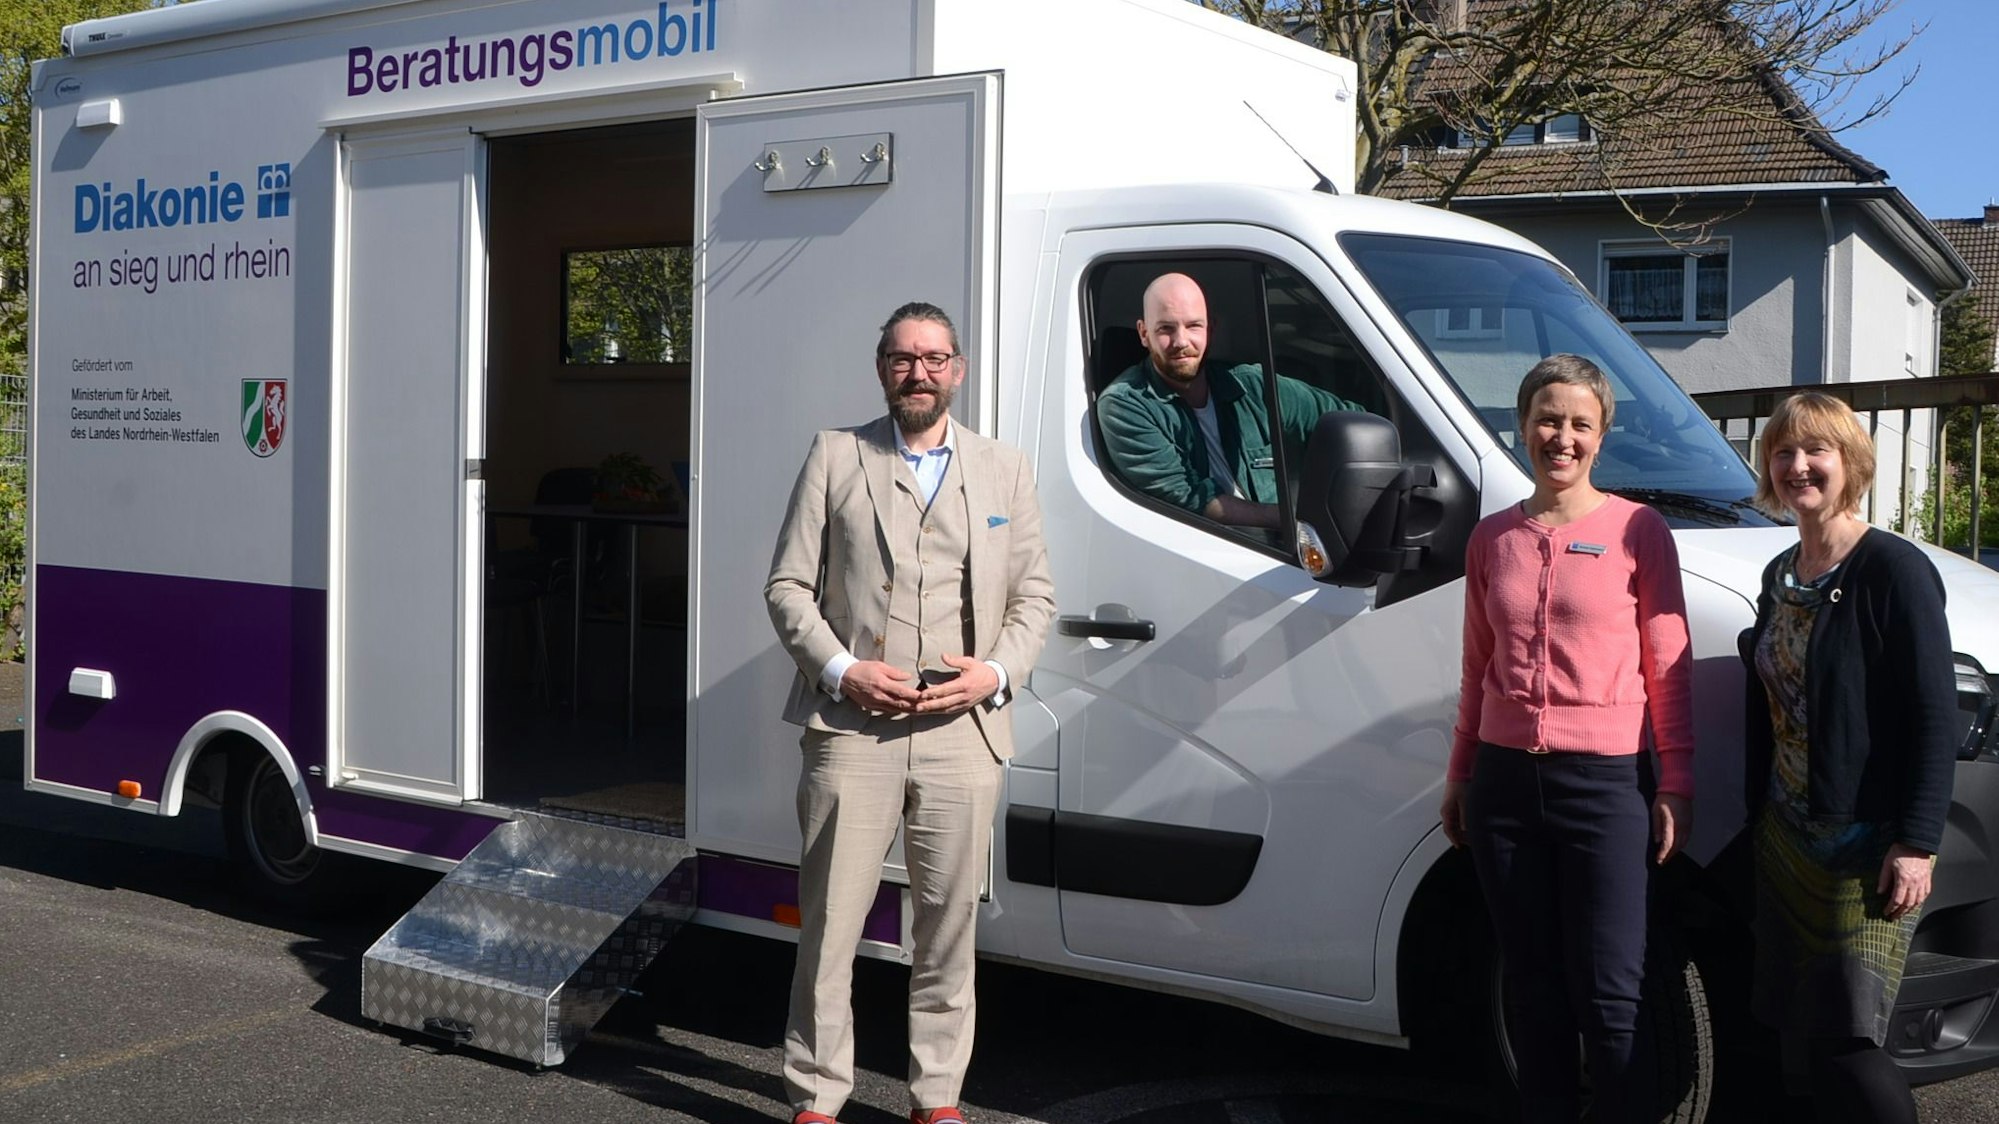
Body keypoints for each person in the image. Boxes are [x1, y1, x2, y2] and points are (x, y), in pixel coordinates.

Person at [765, 301, 1057, 1124]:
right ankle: (817, 1098)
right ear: (881, 367)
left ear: (957, 370)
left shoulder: (1004, 468)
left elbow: (1034, 594)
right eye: (902, 358)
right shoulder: (834, 456)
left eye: (934, 359)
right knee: (829, 929)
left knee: (946, 928)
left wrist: (995, 672)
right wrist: (841, 668)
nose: (918, 372)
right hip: (851, 731)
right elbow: (787, 586)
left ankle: (937, 1099)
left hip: (963, 734)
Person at [1438, 354, 1694, 1123]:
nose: (1562, 437)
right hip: (1504, 789)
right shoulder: (1492, 539)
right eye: (1547, 419)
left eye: (1580, 423)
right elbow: (1477, 663)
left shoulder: (1636, 531)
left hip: (1606, 787)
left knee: (1610, 992)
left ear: (1601, 433)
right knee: (1530, 986)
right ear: (1521, 426)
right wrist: (1461, 772)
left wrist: (1676, 782)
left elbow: (1667, 668)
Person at [1741, 392, 1954, 1124]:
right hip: (1784, 838)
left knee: (1848, 1039)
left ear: (1849, 463)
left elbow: (1934, 712)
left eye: (1815, 450)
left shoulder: (1891, 569)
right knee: (1791, 1034)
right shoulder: (1780, 573)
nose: (1797, 465)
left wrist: (1916, 843)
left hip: (1862, 848)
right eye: (1782, 452)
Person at [1096, 272, 1364, 528]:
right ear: (1144, 333)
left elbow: (1348, 421)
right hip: (1203, 554)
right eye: (1166, 328)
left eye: (1193, 326)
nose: (1181, 341)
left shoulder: (1252, 385)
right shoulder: (1125, 404)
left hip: (1281, 555)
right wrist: (1295, 521)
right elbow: (1190, 500)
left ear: (1210, 329)